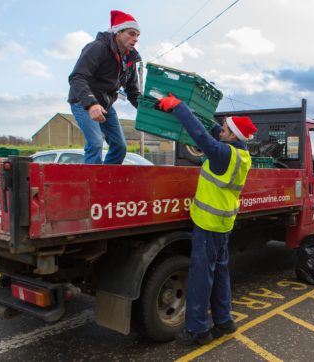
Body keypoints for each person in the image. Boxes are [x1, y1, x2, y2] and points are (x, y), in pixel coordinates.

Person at [156, 93, 258, 345]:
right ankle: (224, 321)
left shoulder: (223, 154)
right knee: (221, 272)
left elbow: (201, 136)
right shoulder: (240, 153)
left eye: (224, 129)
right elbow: (211, 130)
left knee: (202, 276)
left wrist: (179, 108)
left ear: (232, 136)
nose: (220, 131)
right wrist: (199, 112)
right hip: (223, 223)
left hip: (209, 223)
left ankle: (198, 330)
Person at [68, 10, 141, 164]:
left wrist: (148, 112)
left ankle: (107, 182)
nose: (135, 39)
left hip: (105, 105)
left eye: (137, 36)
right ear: (118, 32)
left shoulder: (130, 59)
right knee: (95, 143)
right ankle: (93, 186)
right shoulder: (98, 48)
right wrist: (91, 103)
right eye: (131, 33)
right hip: (84, 102)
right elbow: (77, 77)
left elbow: (133, 93)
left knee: (120, 147)